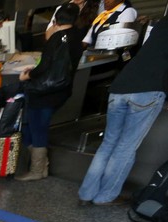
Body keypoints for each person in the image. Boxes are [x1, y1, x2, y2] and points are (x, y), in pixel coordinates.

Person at [78, 18, 167, 206]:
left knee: (108, 143)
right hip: (148, 90)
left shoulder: (163, 23)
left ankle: (86, 194)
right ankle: (106, 197)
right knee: (126, 147)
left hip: (120, 87)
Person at [17, 4, 85, 182]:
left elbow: (44, 66)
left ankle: (37, 170)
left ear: (55, 21)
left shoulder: (56, 39)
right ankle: (42, 166)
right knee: (39, 125)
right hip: (61, 90)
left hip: (43, 91)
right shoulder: (77, 38)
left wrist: (28, 75)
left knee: (36, 127)